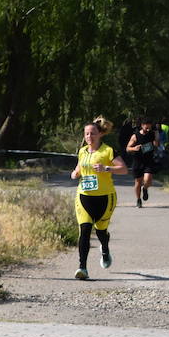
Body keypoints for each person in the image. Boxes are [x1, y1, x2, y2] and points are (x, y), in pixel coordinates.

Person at [70, 120, 127, 280]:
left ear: (99, 134)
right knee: (85, 230)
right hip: (84, 196)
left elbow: (123, 169)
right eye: (87, 133)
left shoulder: (108, 151)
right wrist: (74, 174)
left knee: (101, 231)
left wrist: (106, 168)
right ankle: (82, 267)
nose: (89, 136)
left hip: (105, 197)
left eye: (92, 133)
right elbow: (79, 168)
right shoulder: (82, 152)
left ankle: (105, 249)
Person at [125, 119, 161, 207]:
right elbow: (127, 148)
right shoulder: (135, 135)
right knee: (138, 182)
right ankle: (138, 199)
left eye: (149, 125)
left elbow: (156, 145)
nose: (148, 127)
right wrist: (134, 148)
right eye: (146, 125)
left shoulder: (152, 134)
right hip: (138, 161)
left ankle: (145, 188)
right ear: (142, 125)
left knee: (148, 179)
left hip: (148, 161)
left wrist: (156, 135)